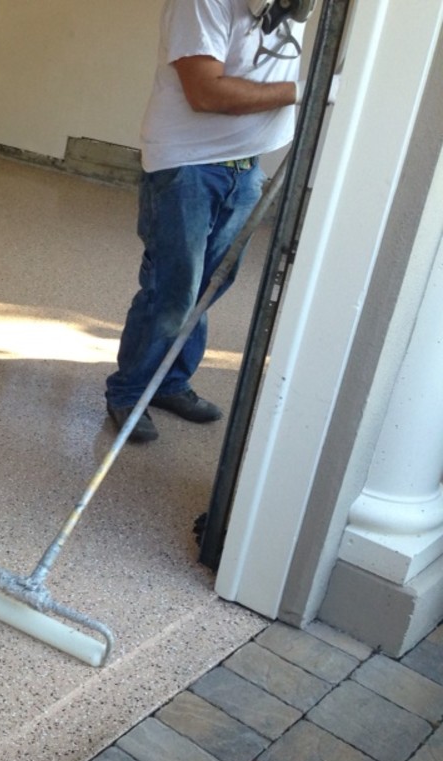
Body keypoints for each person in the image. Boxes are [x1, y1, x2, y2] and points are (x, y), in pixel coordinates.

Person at [105, 0, 315, 444]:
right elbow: (207, 93)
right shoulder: (201, 3)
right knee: (172, 289)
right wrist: (303, 89)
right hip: (188, 166)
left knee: (208, 285)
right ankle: (129, 392)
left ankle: (169, 383)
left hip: (245, 167)